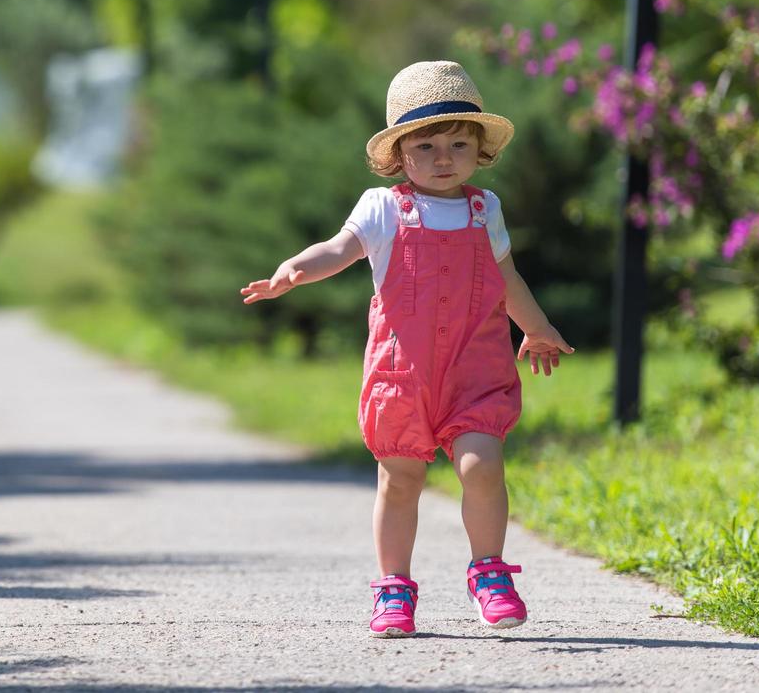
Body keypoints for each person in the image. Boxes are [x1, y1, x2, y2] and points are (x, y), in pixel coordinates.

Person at [239, 60, 573, 638]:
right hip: (404, 374)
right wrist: (295, 268)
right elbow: (339, 249)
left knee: (482, 465)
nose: (444, 158)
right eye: (426, 145)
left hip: (475, 370)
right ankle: (394, 588)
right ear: (399, 154)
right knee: (400, 481)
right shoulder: (384, 207)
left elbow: (506, 280)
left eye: (458, 143)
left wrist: (536, 328)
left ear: (479, 149)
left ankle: (489, 572)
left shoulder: (484, 209)